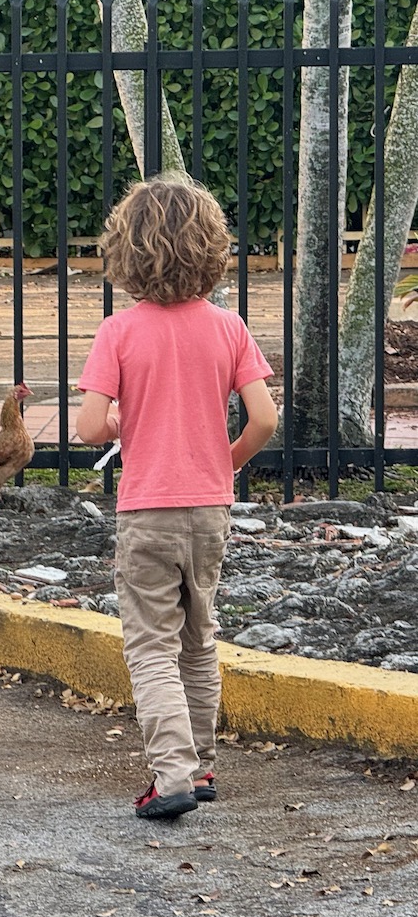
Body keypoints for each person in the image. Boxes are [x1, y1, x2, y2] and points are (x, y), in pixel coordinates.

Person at [76, 174, 279, 820]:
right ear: (212, 248)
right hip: (209, 509)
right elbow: (265, 420)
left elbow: (88, 428)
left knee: (151, 645)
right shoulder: (227, 327)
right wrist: (224, 463)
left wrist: (119, 424)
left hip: (147, 512)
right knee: (198, 637)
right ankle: (204, 762)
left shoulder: (119, 332)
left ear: (125, 252)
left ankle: (171, 778)